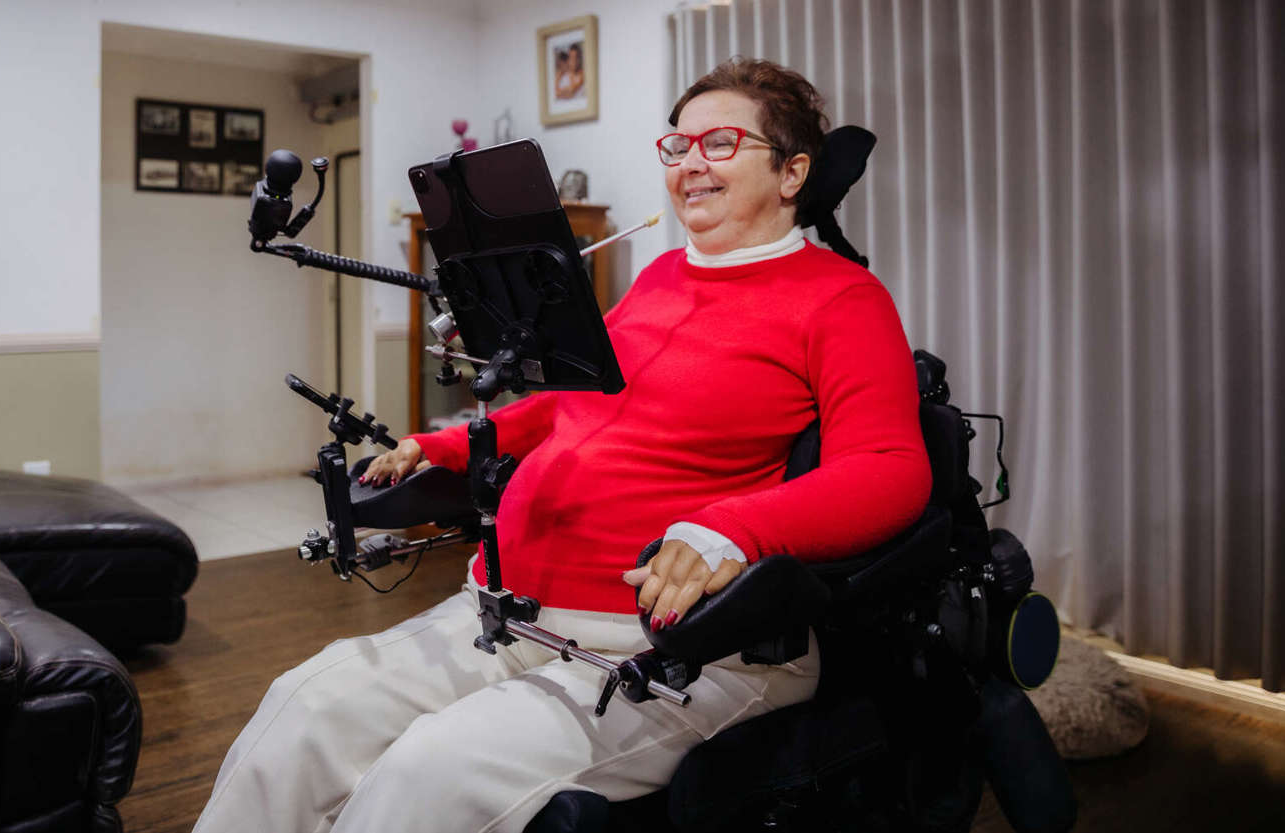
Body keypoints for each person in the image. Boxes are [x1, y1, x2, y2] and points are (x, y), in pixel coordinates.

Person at [192, 57, 930, 833]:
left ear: (792, 171)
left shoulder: (841, 297)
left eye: (718, 143)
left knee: (424, 772)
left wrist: (733, 529)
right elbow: (573, 404)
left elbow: (890, 470)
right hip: (510, 609)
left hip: (679, 649)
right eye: (676, 148)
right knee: (304, 708)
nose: (689, 165)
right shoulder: (662, 277)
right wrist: (441, 446)